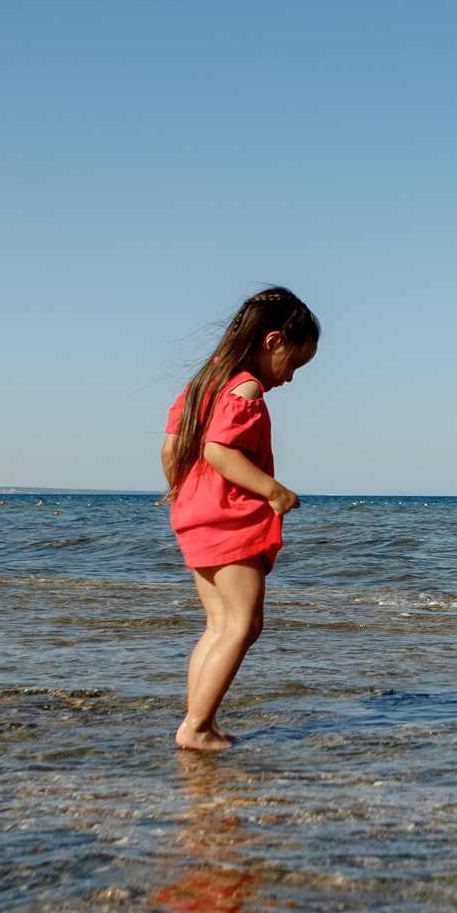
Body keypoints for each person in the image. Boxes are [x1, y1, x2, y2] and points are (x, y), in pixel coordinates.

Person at [162, 286, 321, 751]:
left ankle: (200, 721)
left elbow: (173, 449)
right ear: (273, 341)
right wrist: (274, 489)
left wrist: (183, 494)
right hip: (228, 517)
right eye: (293, 364)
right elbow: (219, 450)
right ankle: (195, 727)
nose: (290, 377)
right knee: (243, 626)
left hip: (193, 513)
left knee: (217, 624)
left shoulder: (200, 384)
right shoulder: (244, 386)